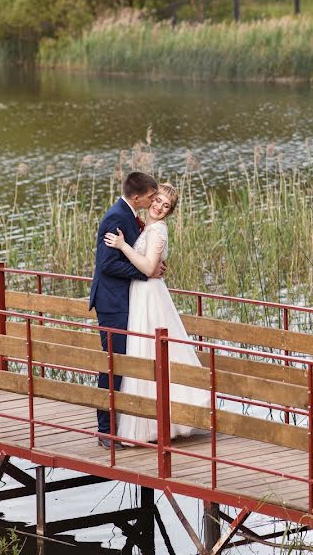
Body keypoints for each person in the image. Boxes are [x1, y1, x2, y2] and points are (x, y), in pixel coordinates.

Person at [103, 182, 210, 444]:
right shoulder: (147, 227)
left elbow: (150, 267)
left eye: (166, 206)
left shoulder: (158, 231)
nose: (160, 207)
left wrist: (123, 245)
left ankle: (158, 419)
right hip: (142, 294)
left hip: (149, 294)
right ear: (150, 199)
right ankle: (148, 420)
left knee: (151, 350)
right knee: (145, 351)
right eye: (158, 200)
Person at [89, 171, 164, 449]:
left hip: (125, 300)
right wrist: (145, 272)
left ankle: (122, 422)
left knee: (123, 362)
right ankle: (105, 430)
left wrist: (152, 267)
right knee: (113, 364)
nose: (153, 200)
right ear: (136, 197)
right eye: (150, 197)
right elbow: (107, 264)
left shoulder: (128, 214)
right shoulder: (116, 217)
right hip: (112, 303)